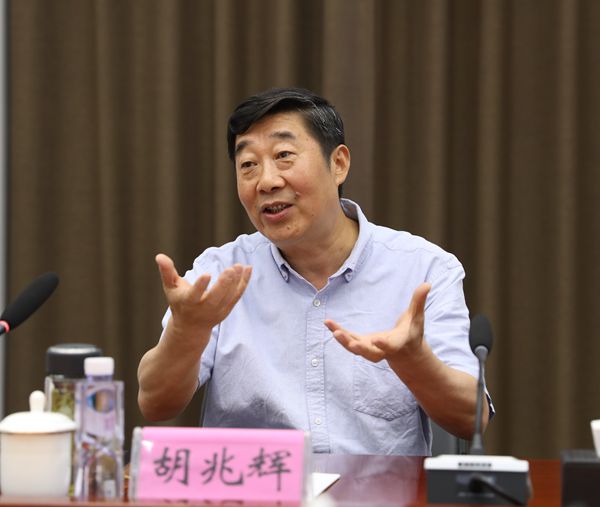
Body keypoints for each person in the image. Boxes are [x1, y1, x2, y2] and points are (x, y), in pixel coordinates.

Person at [137, 87, 491, 455]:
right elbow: (155, 403)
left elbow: (471, 417)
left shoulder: (423, 269)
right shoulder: (220, 273)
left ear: (338, 164)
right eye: (248, 165)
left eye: (284, 156)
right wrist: (187, 332)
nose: (267, 181)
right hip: (258, 484)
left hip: (377, 487)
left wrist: (413, 360)